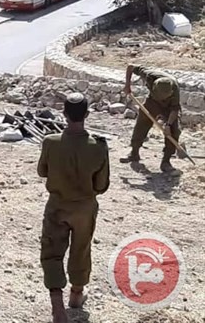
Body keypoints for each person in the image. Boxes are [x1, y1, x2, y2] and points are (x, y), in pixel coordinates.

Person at [37, 92, 110, 323]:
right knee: (81, 249)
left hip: (57, 206)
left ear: (64, 114)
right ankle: (76, 295)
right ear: (87, 115)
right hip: (84, 208)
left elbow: (42, 171)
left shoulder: (50, 142)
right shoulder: (98, 146)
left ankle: (58, 308)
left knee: (52, 252)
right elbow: (102, 185)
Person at [122, 64, 182, 173]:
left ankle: (166, 162)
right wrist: (127, 85)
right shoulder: (149, 75)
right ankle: (134, 153)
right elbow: (130, 67)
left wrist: (167, 125)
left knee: (173, 131)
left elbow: (174, 110)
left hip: (169, 107)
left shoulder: (175, 89)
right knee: (142, 123)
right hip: (152, 102)